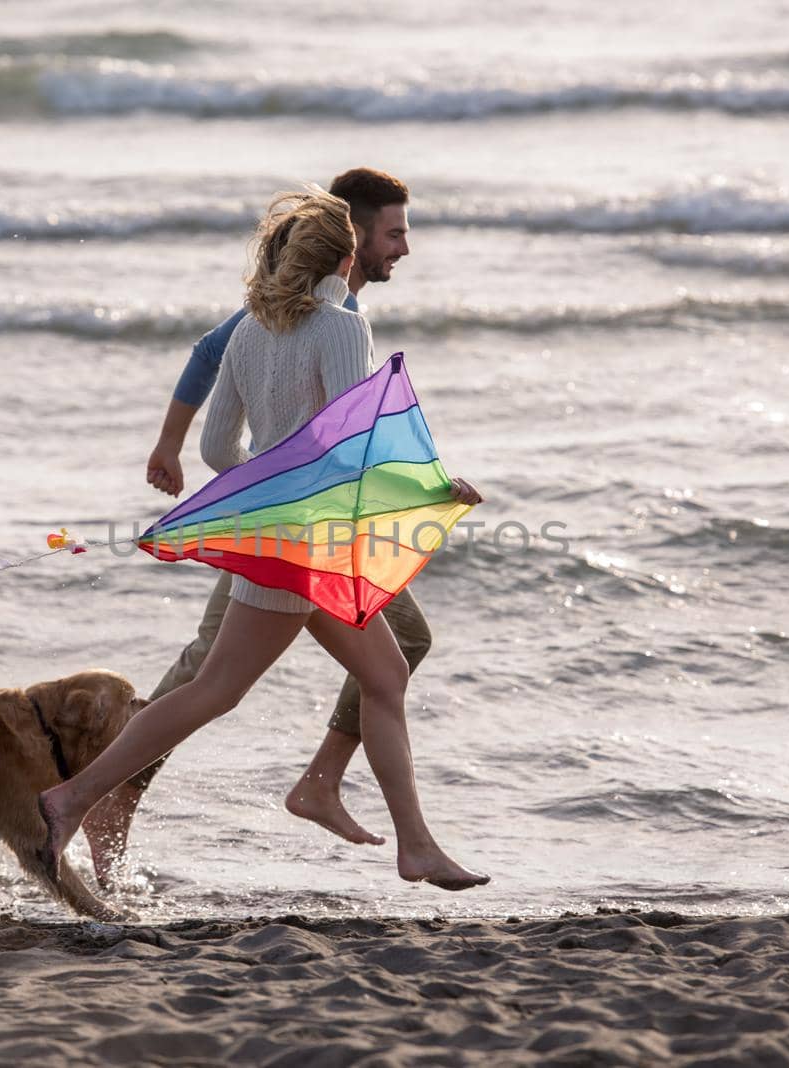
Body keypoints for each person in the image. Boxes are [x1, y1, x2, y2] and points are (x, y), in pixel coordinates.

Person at [39, 189, 487, 893]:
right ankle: (71, 800)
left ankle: (416, 846)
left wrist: (270, 498)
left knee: (383, 674)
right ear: (344, 255)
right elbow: (350, 449)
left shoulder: (250, 332)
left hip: (281, 538)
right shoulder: (341, 327)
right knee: (217, 688)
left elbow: (219, 447)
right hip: (306, 547)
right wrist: (432, 490)